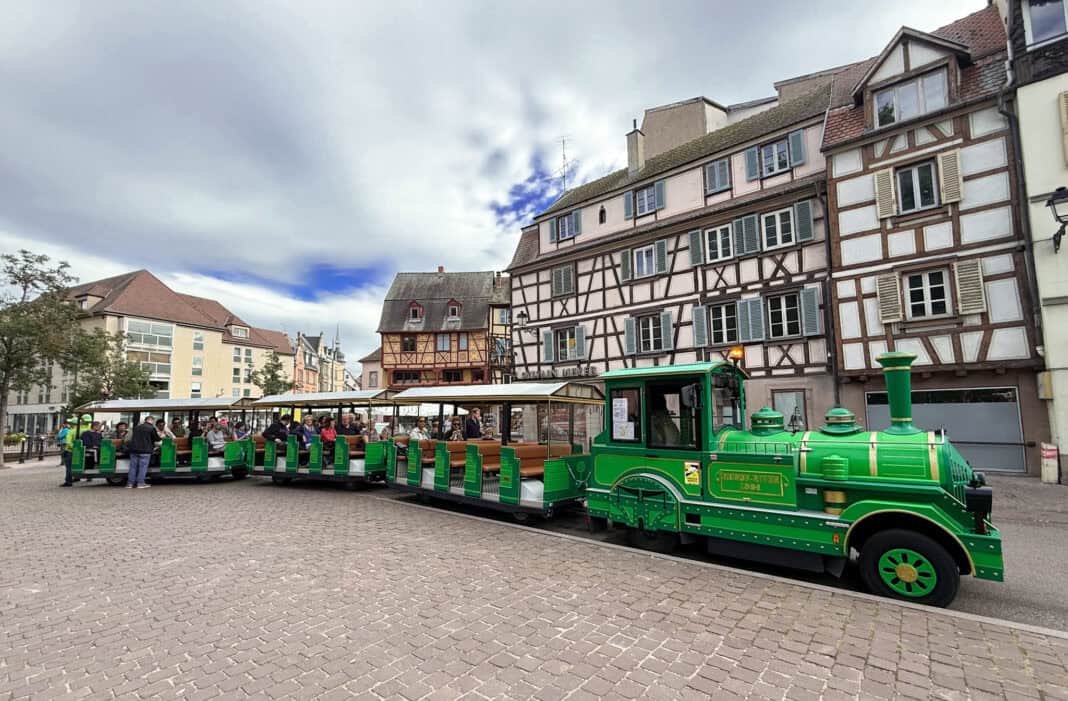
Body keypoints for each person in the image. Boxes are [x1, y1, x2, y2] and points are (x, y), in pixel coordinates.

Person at [127, 415, 161, 489]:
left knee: (133, 467)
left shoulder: (137, 427)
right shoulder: (151, 428)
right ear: (152, 421)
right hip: (145, 450)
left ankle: (130, 484)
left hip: (134, 450)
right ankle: (140, 483)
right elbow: (157, 439)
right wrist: (161, 436)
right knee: (142, 468)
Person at [60, 414, 92, 487]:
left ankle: (68, 481)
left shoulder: (71, 431)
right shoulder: (88, 430)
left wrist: (75, 448)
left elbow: (68, 443)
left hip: (71, 451)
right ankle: (86, 477)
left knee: (69, 466)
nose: (69, 424)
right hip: (84, 450)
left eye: (70, 423)